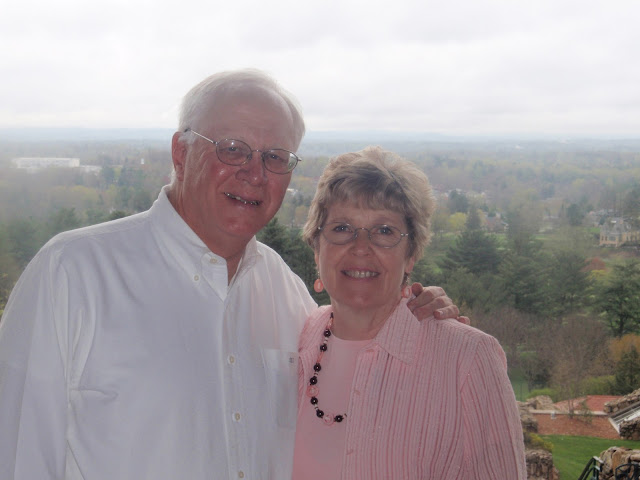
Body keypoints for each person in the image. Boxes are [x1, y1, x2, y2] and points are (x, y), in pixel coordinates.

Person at [0, 70, 461, 480]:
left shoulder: (284, 292)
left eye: (275, 157)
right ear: (180, 153)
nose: (254, 174)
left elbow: (356, 371)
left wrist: (417, 315)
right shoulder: (74, 275)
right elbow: (16, 457)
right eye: (233, 149)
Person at [293, 146, 527, 479]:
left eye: (384, 231)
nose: (361, 247)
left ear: (410, 255)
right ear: (317, 248)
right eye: (342, 228)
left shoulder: (468, 358)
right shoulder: (296, 339)